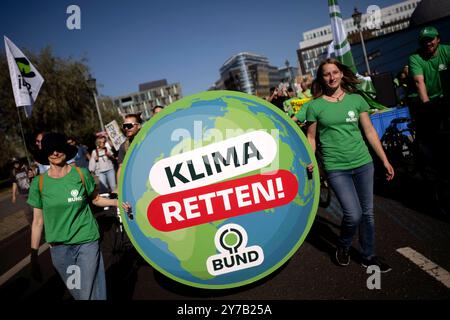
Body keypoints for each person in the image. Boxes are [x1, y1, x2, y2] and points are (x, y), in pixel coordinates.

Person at [305, 58, 394, 272]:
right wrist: (310, 160)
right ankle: (343, 246)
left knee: (367, 213)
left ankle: (368, 256)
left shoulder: (356, 100)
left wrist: (384, 159)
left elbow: (370, 132)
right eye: (327, 74)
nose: (332, 77)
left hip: (363, 163)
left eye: (335, 72)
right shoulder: (314, 106)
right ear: (321, 78)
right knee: (353, 214)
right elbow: (311, 138)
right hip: (336, 167)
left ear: (341, 74)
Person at [27, 132, 121, 300]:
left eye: (59, 149)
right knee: (80, 294)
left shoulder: (81, 174)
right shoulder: (39, 183)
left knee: (87, 294)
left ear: (65, 150)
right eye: (50, 150)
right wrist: (33, 256)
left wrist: (118, 203)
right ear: (45, 154)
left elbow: (96, 199)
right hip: (59, 249)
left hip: (86, 240)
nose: (55, 153)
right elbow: (37, 222)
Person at [408, 26, 450, 182]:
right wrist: (426, 105)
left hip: (441, 96)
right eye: (424, 41)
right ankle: (428, 172)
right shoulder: (415, 58)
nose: (428, 43)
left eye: (431, 39)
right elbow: (419, 82)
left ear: (438, 39)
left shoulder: (447, 51)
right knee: (428, 137)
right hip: (420, 99)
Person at [116, 113, 143, 188]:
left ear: (139, 126)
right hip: (137, 183)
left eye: (129, 125)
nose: (126, 128)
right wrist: (119, 189)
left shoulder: (148, 139)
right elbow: (121, 168)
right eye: (125, 126)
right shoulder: (124, 146)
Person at [10, 157, 33, 225]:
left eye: (17, 162)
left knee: (35, 210)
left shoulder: (25, 168)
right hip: (22, 195)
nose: (16, 164)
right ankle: (32, 226)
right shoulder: (13, 172)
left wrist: (30, 173)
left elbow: (32, 175)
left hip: (31, 192)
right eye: (14, 163)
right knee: (27, 213)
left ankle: (42, 224)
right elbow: (14, 184)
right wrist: (13, 195)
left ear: (19, 162)